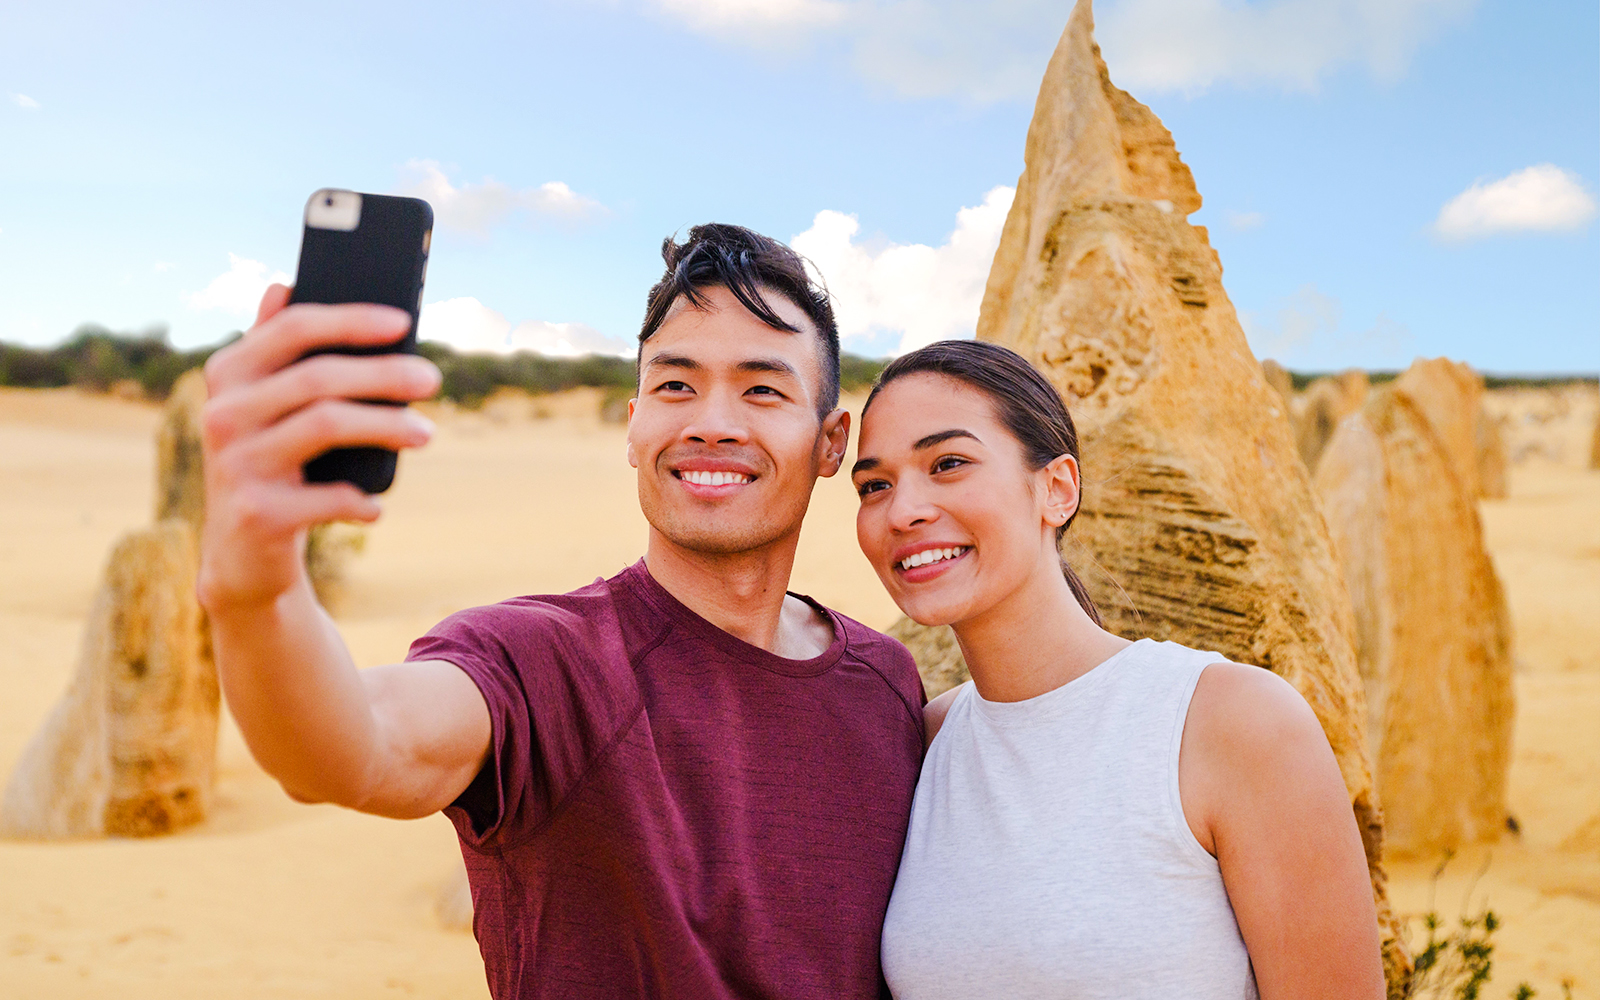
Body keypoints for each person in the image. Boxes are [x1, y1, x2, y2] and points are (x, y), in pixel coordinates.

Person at [197, 223, 926, 999]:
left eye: (762, 389)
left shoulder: (886, 681)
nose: (711, 423)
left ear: (830, 442)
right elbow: (355, 748)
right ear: (633, 424)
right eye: (675, 385)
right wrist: (256, 588)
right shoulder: (539, 662)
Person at [850, 340, 1386, 1000]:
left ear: (1057, 488)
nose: (903, 510)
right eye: (874, 485)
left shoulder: (1231, 724)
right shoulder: (928, 743)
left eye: (948, 463)